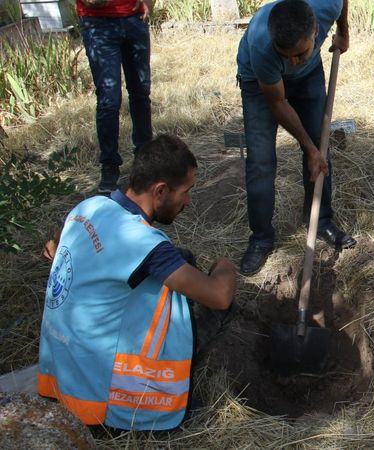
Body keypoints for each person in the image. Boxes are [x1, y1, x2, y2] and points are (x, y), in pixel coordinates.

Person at [37, 135, 237, 431]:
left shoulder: (87, 208)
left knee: (183, 259)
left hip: (59, 379)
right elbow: (219, 296)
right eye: (186, 191)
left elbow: (55, 247)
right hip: (102, 405)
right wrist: (225, 266)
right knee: (219, 307)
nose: (188, 201)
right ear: (160, 190)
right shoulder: (145, 244)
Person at [236, 0, 356, 276]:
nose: (291, 61)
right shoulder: (262, 46)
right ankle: (261, 238)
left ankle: (321, 220)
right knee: (261, 160)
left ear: (315, 30)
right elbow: (277, 103)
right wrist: (308, 147)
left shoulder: (327, 5)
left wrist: (344, 32)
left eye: (298, 53)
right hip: (260, 83)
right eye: (286, 54)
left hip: (310, 74)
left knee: (320, 147)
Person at [77, 0, 154, 194]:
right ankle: (109, 167)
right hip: (98, 22)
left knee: (141, 93)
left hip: (134, 17)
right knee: (109, 99)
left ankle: (144, 160)